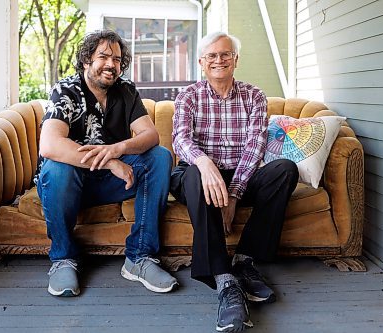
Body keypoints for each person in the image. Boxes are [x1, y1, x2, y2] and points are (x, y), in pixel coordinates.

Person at [171, 32, 299, 332]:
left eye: (225, 54)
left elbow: (255, 146)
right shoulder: (188, 95)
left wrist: (235, 194)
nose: (219, 60)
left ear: (235, 60)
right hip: (195, 170)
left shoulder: (254, 95)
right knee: (194, 175)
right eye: (212, 56)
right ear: (202, 62)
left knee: (285, 170)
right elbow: (180, 140)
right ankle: (224, 279)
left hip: (240, 172)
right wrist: (204, 164)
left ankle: (244, 261)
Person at [35, 30, 178, 297]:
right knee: (56, 167)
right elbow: (50, 144)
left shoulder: (125, 91)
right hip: (68, 185)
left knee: (160, 156)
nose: (111, 64)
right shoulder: (66, 90)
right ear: (87, 60)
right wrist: (110, 161)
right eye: (103, 56)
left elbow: (150, 135)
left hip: (115, 183)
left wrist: (119, 148)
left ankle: (139, 257)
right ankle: (63, 259)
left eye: (117, 59)